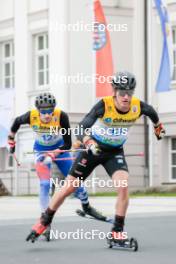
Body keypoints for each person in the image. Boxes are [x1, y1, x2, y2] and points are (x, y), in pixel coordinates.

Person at [26, 72, 166, 242]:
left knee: (123, 187)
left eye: (130, 92)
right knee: (68, 188)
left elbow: (155, 120)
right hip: (92, 151)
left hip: (114, 152)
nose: (126, 97)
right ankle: (44, 221)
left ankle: (116, 232)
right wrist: (89, 142)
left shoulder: (140, 107)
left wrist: (160, 133)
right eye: (122, 92)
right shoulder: (103, 105)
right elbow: (80, 129)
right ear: (115, 91)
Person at [8, 92, 105, 236]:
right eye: (44, 112)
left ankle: (86, 205)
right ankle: (44, 221)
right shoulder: (30, 116)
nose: (47, 115)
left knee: (74, 181)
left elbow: (68, 144)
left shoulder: (61, 116)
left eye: (50, 111)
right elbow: (16, 122)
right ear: (38, 110)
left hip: (60, 149)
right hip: (40, 150)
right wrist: (11, 141)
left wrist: (53, 153)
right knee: (45, 184)